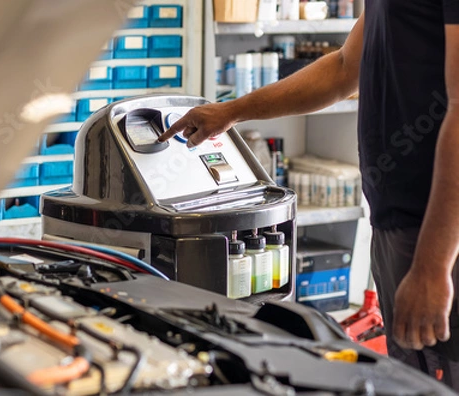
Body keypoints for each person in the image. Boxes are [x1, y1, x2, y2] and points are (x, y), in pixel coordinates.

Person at [158, 3, 459, 389]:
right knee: (410, 379)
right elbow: (343, 68)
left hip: (439, 234)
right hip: (396, 222)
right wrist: (231, 112)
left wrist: (433, 267)